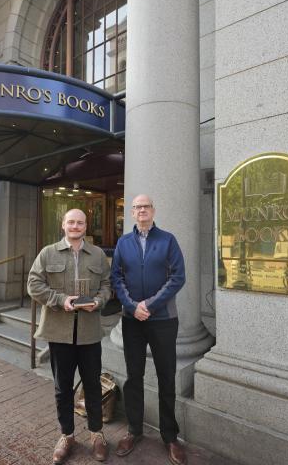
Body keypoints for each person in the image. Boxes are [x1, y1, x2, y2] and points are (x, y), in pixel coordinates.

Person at [27, 209, 111, 464]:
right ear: (63, 225)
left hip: (89, 333)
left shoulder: (97, 255)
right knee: (62, 388)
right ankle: (67, 435)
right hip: (59, 331)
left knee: (93, 386)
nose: (75, 226)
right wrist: (60, 300)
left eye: (80, 222)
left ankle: (97, 434)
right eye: (71, 222)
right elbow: (34, 284)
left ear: (86, 227)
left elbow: (107, 286)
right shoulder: (48, 252)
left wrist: (98, 301)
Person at [111, 194, 187, 465]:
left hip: (163, 319)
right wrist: (133, 307)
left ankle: (170, 436)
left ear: (153, 211)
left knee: (166, 377)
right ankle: (134, 430)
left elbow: (178, 277)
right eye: (137, 207)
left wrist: (150, 305)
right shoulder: (123, 243)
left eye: (146, 206)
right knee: (134, 376)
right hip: (132, 321)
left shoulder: (168, 240)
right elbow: (116, 278)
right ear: (132, 213)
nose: (142, 210)